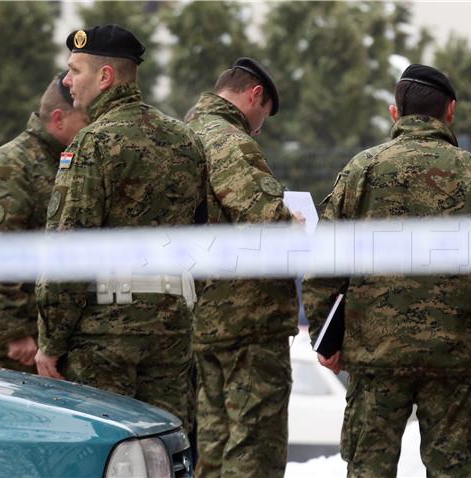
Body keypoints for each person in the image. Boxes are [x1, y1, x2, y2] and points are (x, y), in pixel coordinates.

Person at [302, 64, 471, 478]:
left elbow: (324, 265)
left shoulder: (360, 172)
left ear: (396, 114)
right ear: (450, 111)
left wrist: (327, 337)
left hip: (376, 357)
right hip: (455, 358)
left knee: (369, 470)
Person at [34, 25, 207, 438]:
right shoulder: (185, 140)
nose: (68, 81)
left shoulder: (92, 143)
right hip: (173, 331)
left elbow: (67, 251)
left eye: (75, 70)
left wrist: (51, 342)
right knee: (165, 451)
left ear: (105, 77)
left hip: (103, 337)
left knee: (103, 452)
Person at [186, 57, 300, 478]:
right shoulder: (228, 140)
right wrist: (295, 224)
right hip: (249, 319)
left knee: (213, 444)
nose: (258, 127)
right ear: (254, 95)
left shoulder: (186, 133)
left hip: (206, 315)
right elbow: (263, 219)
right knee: (254, 445)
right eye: (262, 116)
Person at [0, 72, 87, 372]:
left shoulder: (62, 163)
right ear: (58, 118)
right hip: (14, 348)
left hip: (44, 339)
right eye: (86, 123)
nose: (92, 132)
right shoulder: (10, 166)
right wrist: (14, 332)